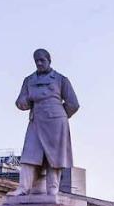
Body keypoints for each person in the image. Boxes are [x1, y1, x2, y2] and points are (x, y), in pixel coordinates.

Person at [15, 49, 79, 195]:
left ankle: (52, 189)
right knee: (29, 155)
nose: (39, 63)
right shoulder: (29, 80)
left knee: (54, 157)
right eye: (36, 60)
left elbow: (73, 104)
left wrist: (59, 116)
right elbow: (20, 102)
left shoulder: (60, 79)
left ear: (49, 60)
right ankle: (23, 188)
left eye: (42, 60)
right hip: (36, 121)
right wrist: (28, 100)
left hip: (55, 122)